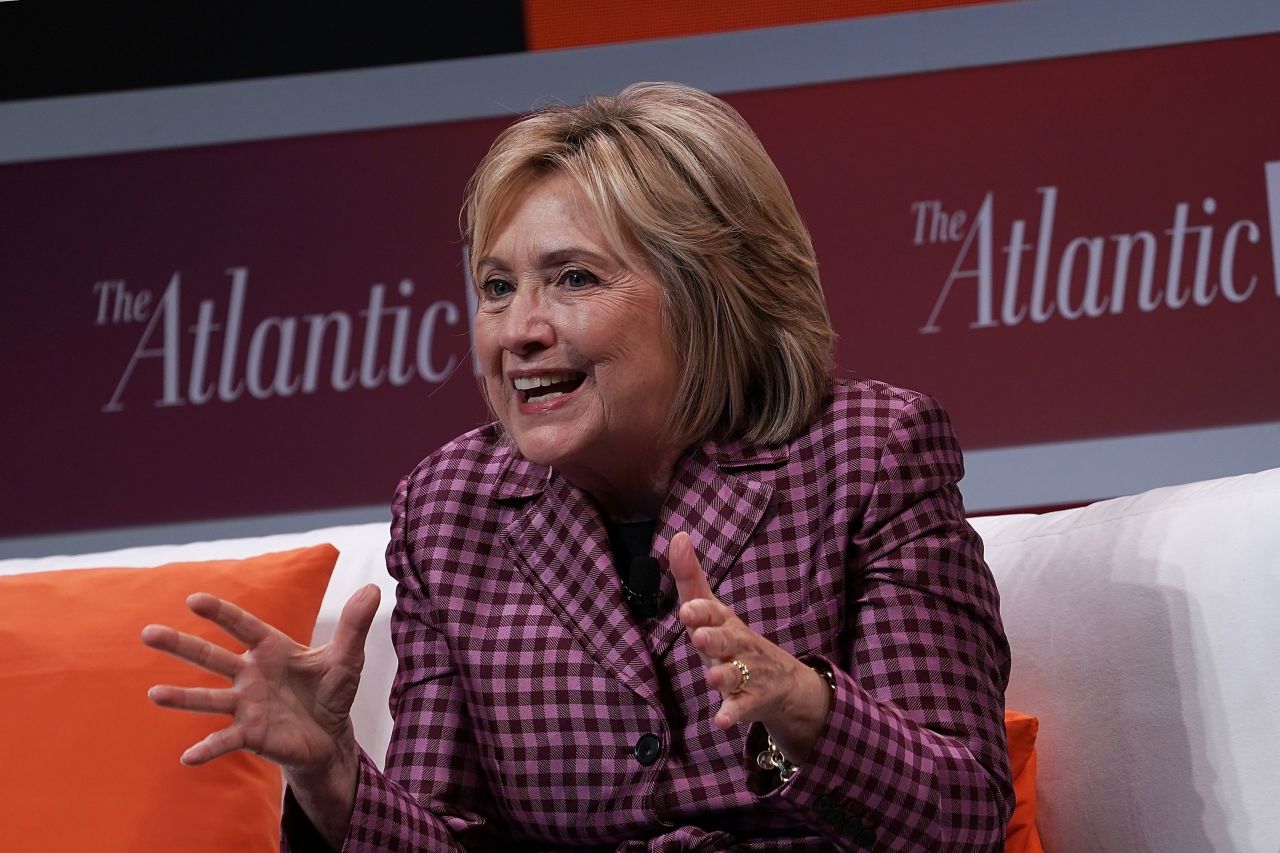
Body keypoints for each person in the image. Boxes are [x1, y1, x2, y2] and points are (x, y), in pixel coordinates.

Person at [142, 82, 1012, 851]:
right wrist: (332, 776)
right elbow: (453, 839)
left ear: (708, 294)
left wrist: (808, 707)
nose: (518, 329)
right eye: (495, 286)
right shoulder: (450, 513)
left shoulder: (867, 456)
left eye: (573, 279)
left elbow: (964, 817)